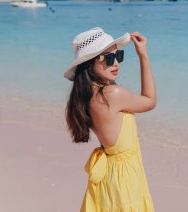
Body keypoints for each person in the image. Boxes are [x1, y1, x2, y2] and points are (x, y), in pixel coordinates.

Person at [64, 27, 156, 212]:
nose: (116, 64)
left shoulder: (88, 96)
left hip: (111, 178)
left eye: (119, 56)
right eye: (108, 58)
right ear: (90, 64)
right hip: (124, 180)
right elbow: (150, 101)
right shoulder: (111, 94)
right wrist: (143, 55)